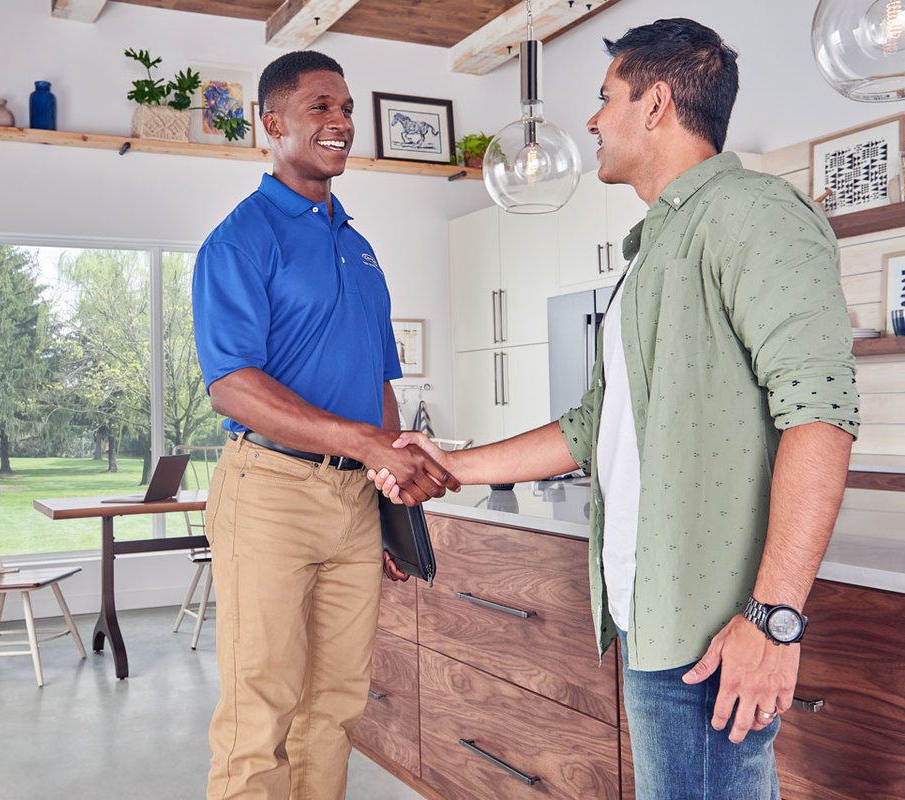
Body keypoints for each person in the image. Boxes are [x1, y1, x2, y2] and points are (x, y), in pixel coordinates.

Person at [371, 18, 859, 799]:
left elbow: (821, 415)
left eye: (606, 99)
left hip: (716, 625)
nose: (593, 121)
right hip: (654, 613)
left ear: (657, 103)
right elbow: (595, 426)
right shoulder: (655, 249)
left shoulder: (753, 213)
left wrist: (773, 620)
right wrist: (451, 466)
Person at [191, 50, 458, 800]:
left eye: (346, 108)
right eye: (320, 107)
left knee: (336, 708)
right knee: (260, 715)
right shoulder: (239, 241)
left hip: (351, 505)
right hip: (269, 493)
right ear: (271, 124)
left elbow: (378, 385)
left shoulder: (358, 246)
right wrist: (367, 446)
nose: (340, 121)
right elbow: (233, 386)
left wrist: (387, 498)